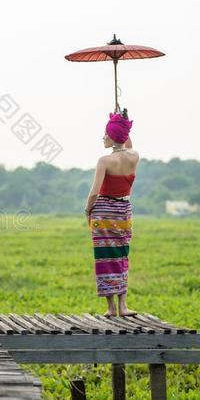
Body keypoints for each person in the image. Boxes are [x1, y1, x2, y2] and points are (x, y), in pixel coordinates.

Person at [85, 109, 138, 317]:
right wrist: (121, 120)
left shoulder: (104, 161)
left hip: (104, 211)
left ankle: (111, 308)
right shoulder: (134, 156)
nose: (103, 137)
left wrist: (87, 210)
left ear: (113, 136)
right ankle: (123, 306)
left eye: (106, 133)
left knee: (104, 256)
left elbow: (94, 192)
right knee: (121, 254)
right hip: (124, 211)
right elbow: (127, 143)